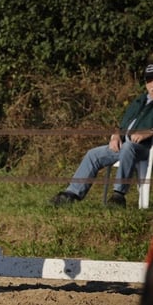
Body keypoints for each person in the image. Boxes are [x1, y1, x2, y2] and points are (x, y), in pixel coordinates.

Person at [51, 63, 153, 208]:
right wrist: (116, 136)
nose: (152, 84)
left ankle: (118, 196)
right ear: (145, 82)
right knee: (93, 154)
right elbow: (122, 125)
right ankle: (72, 194)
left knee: (129, 147)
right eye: (149, 80)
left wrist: (149, 132)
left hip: (145, 148)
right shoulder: (139, 101)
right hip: (125, 145)